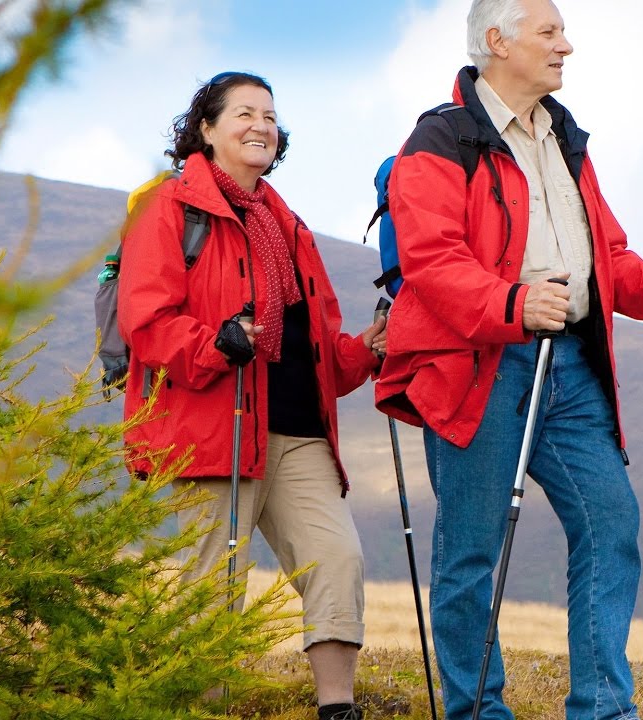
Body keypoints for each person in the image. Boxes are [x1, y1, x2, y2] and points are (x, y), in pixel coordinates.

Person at [374, 1, 643, 718]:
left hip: (571, 369)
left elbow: (603, 258)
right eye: (550, 32)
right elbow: (432, 261)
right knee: (471, 552)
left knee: (611, 523)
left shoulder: (565, 137)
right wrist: (512, 305)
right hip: (479, 367)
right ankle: (477, 712)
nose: (567, 46)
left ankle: (602, 708)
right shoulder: (439, 140)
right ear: (497, 41)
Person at [118, 71, 383, 720]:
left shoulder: (286, 225)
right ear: (206, 129)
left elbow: (314, 348)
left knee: (337, 559)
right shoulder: (169, 209)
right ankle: (200, 710)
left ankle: (337, 708)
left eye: (269, 115)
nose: (262, 125)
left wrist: (367, 349)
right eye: (244, 113)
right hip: (213, 428)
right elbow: (146, 320)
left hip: (297, 431)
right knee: (213, 585)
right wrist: (217, 343)